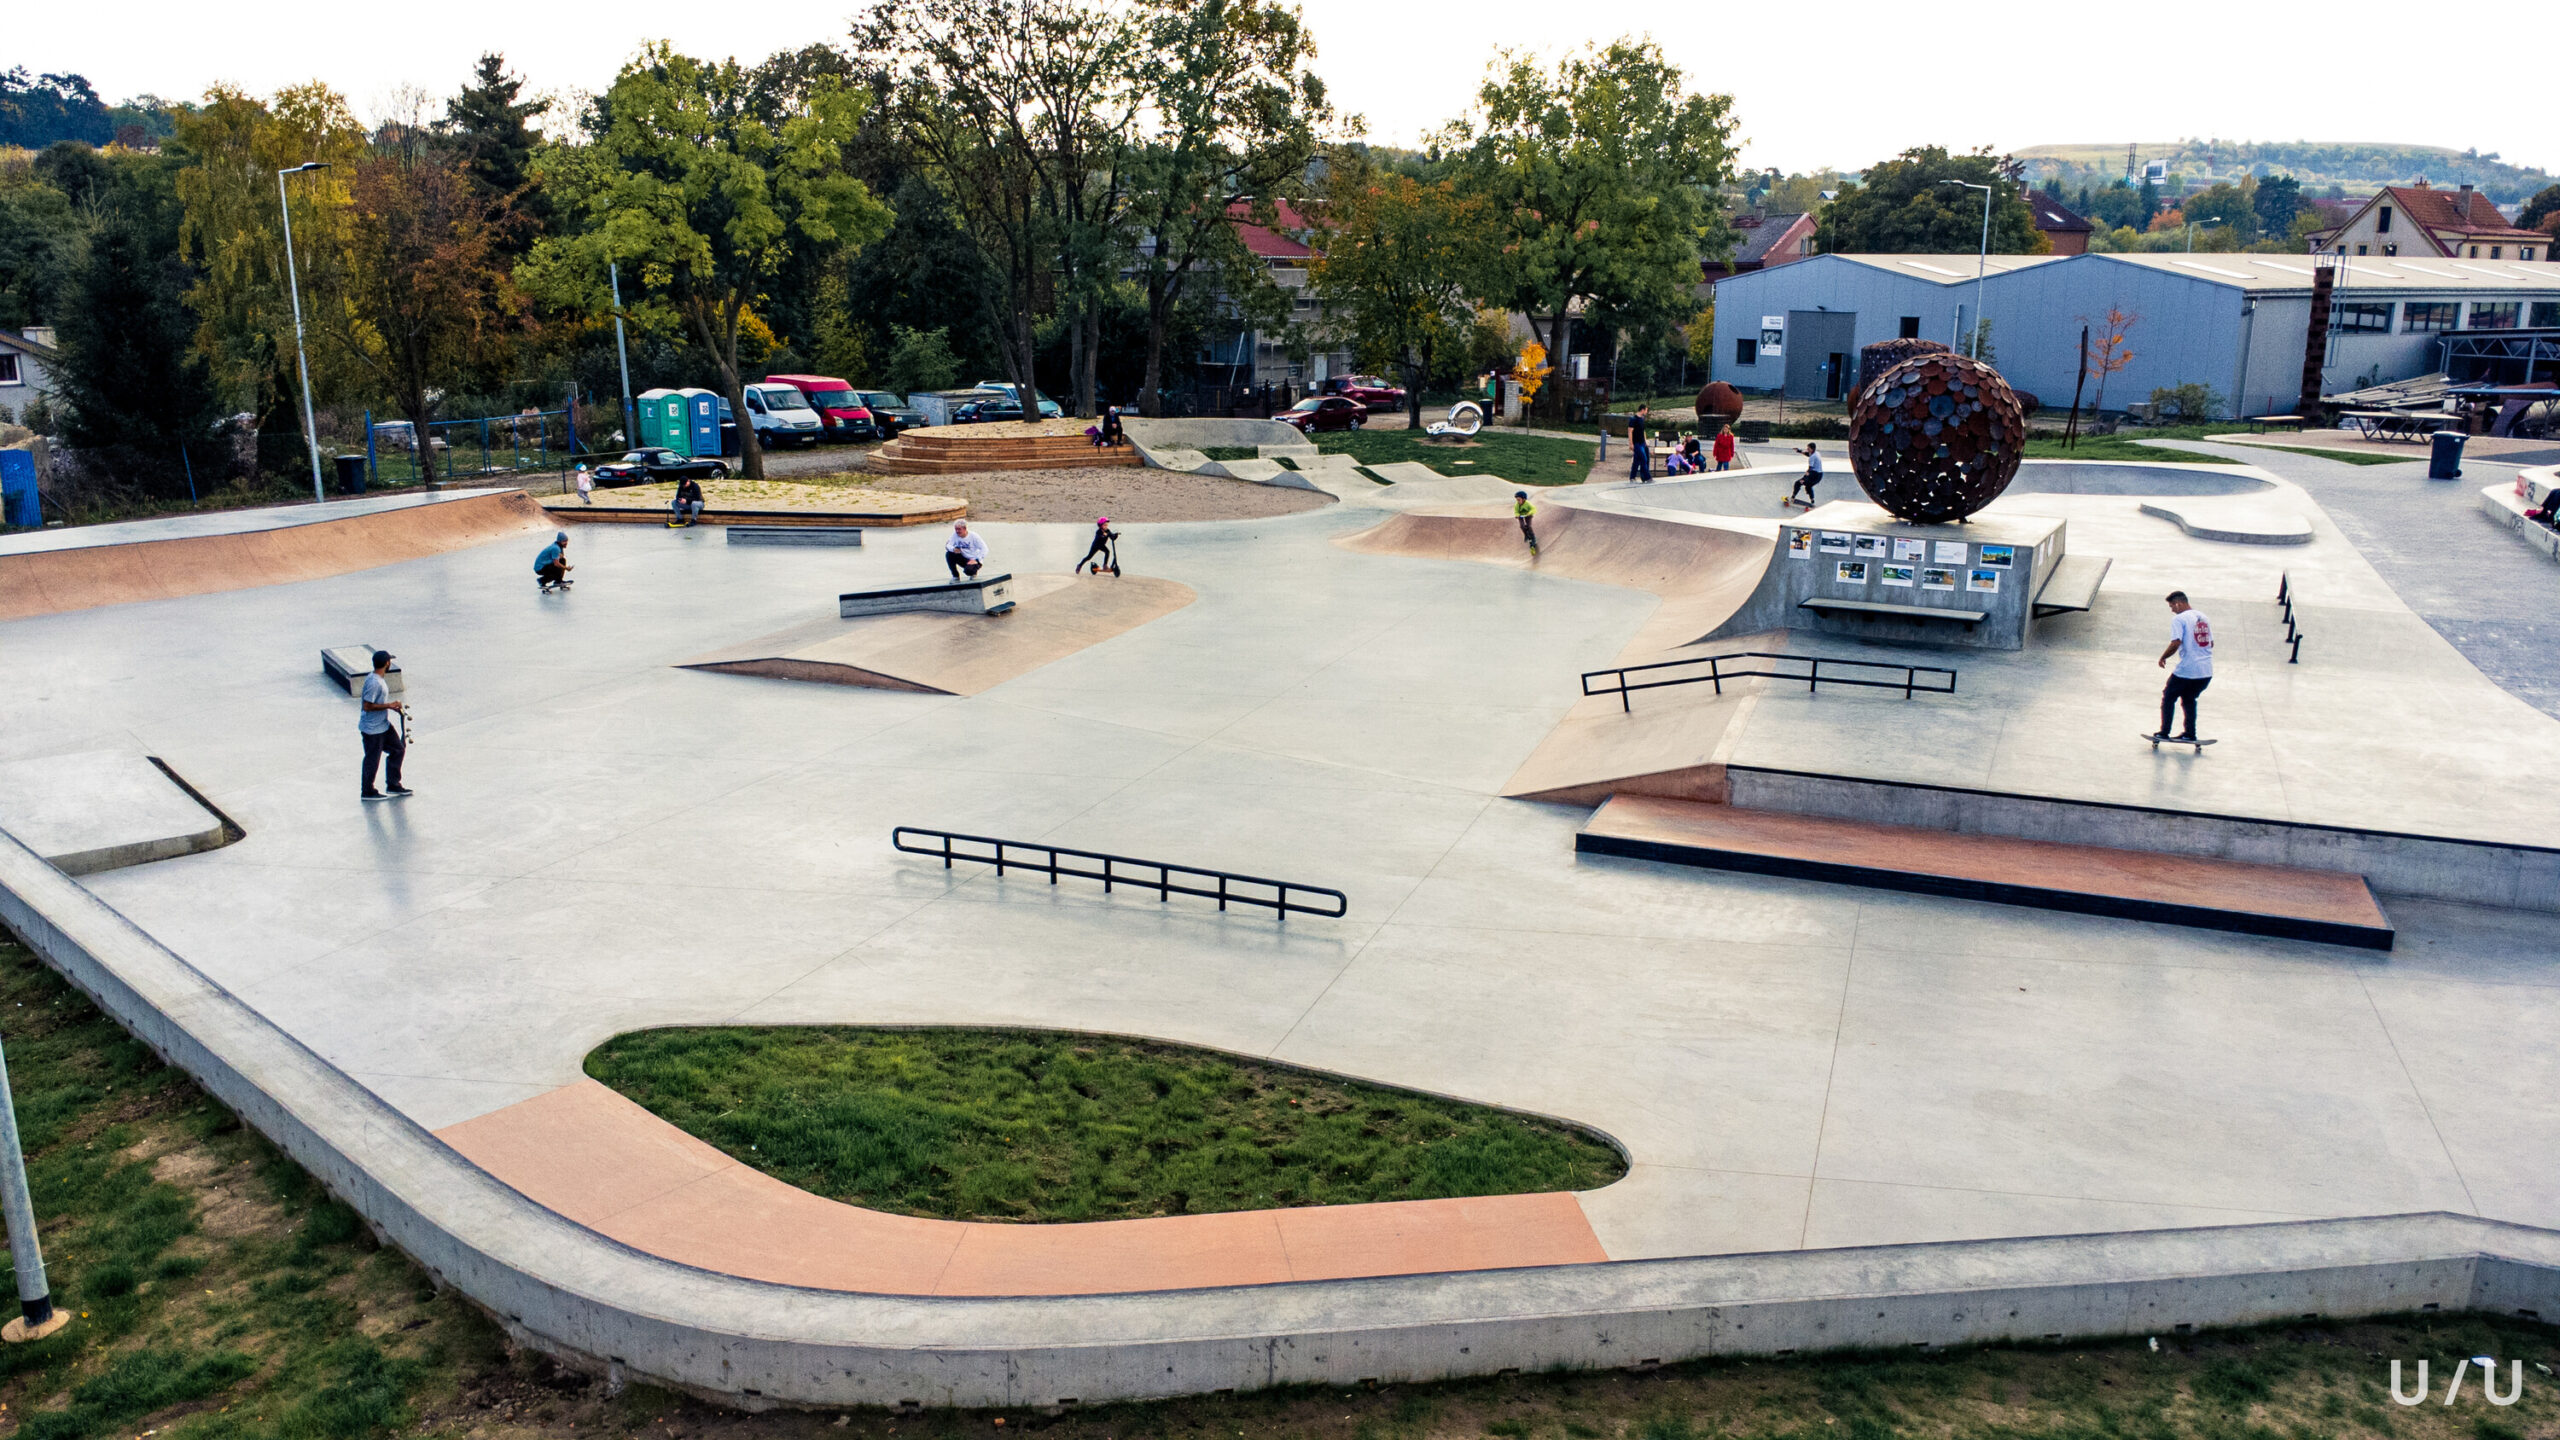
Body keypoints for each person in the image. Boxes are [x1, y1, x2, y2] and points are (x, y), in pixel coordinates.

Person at [2153, 591, 2215, 742]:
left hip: (2188, 669)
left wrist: (2163, 657)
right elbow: (2210, 643)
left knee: (2168, 697)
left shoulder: (2179, 619)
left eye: (2172, 606)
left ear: (2178, 603)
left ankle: (2164, 732)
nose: (2172, 610)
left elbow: (2175, 643)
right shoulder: (2203, 617)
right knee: (2189, 699)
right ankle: (2189, 733)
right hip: (2206, 671)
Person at [358, 650, 411, 801]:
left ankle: (393, 784)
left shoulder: (377, 678)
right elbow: (367, 706)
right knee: (372, 759)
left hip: (383, 725)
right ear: (387, 663)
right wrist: (389, 705)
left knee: (398, 749)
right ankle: (367, 791)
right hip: (372, 730)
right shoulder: (375, 683)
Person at [1628, 405, 1653, 483]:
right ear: (1642, 410)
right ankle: (1648, 477)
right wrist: (1631, 444)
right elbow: (1630, 431)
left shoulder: (1642, 419)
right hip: (1637, 443)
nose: (1646, 412)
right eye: (1646, 410)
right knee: (1643, 459)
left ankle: (1633, 477)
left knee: (1637, 460)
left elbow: (1643, 431)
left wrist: (1645, 441)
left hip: (1642, 443)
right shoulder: (1633, 419)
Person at [1514, 490, 1539, 556]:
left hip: (1528, 515)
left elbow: (1534, 509)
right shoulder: (1517, 505)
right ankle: (1526, 535)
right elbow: (1516, 511)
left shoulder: (1528, 504)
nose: (1518, 501)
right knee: (1521, 526)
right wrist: (1517, 514)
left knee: (1529, 526)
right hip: (1521, 516)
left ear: (1524, 499)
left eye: (1519, 500)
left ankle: (1533, 537)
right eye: (1517, 500)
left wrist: (1529, 513)